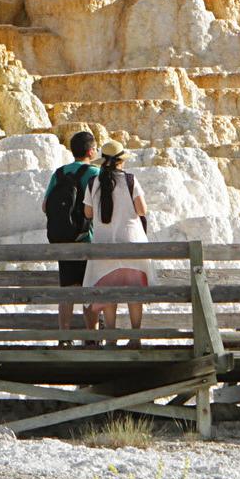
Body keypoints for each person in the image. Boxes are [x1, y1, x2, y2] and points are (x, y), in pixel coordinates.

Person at [82, 141, 151, 344]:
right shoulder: (130, 180)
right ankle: (135, 337)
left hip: (103, 244)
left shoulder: (93, 182)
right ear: (121, 161)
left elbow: (88, 213)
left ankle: (111, 337)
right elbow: (142, 210)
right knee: (134, 290)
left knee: (109, 289)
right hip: (132, 242)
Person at [42, 130, 99, 336]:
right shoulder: (95, 174)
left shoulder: (59, 173)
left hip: (63, 241)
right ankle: (92, 338)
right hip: (86, 240)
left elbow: (45, 206)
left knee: (67, 291)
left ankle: (63, 337)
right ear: (91, 151)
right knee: (89, 290)